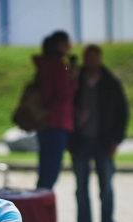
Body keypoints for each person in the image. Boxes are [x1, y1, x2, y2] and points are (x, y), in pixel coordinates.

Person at [69, 45, 129, 222]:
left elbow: (122, 114)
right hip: (81, 141)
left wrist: (116, 140)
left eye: (94, 58)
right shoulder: (75, 83)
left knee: (106, 187)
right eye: (87, 58)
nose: (90, 62)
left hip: (104, 142)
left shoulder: (111, 84)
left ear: (100, 59)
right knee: (81, 187)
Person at [34, 31, 78, 190]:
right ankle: (42, 203)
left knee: (45, 166)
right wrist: (73, 79)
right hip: (56, 122)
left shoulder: (44, 65)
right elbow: (63, 93)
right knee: (51, 169)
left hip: (45, 122)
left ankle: (40, 200)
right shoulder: (58, 66)